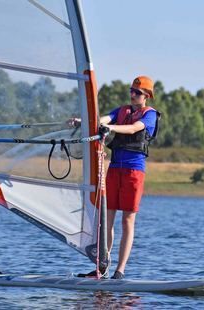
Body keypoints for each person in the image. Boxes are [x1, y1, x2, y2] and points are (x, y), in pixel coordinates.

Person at [71, 76, 159, 280]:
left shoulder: (150, 115)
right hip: (114, 169)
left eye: (137, 92)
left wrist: (111, 129)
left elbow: (134, 128)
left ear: (146, 96)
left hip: (133, 171)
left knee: (127, 220)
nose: (132, 94)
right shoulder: (122, 111)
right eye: (131, 90)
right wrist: (83, 122)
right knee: (107, 218)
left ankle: (120, 271)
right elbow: (103, 120)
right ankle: (102, 267)